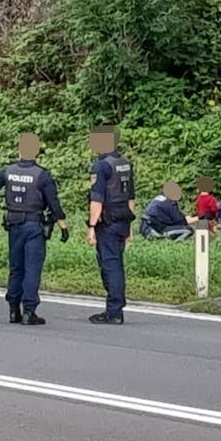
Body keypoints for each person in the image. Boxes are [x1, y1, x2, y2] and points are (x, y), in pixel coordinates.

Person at [0, 133, 67, 325]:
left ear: (19, 150)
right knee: (32, 268)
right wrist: (63, 226)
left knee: (16, 268)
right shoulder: (42, 175)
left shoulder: (7, 171)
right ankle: (29, 311)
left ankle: (13, 310)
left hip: (14, 225)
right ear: (36, 152)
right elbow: (54, 204)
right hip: (34, 225)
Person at [86, 126, 136, 325]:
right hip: (123, 218)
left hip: (107, 222)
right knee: (116, 263)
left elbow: (96, 200)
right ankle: (116, 306)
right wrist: (130, 226)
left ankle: (114, 310)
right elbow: (131, 197)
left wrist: (91, 227)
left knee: (110, 265)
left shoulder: (101, 166)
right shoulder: (124, 163)